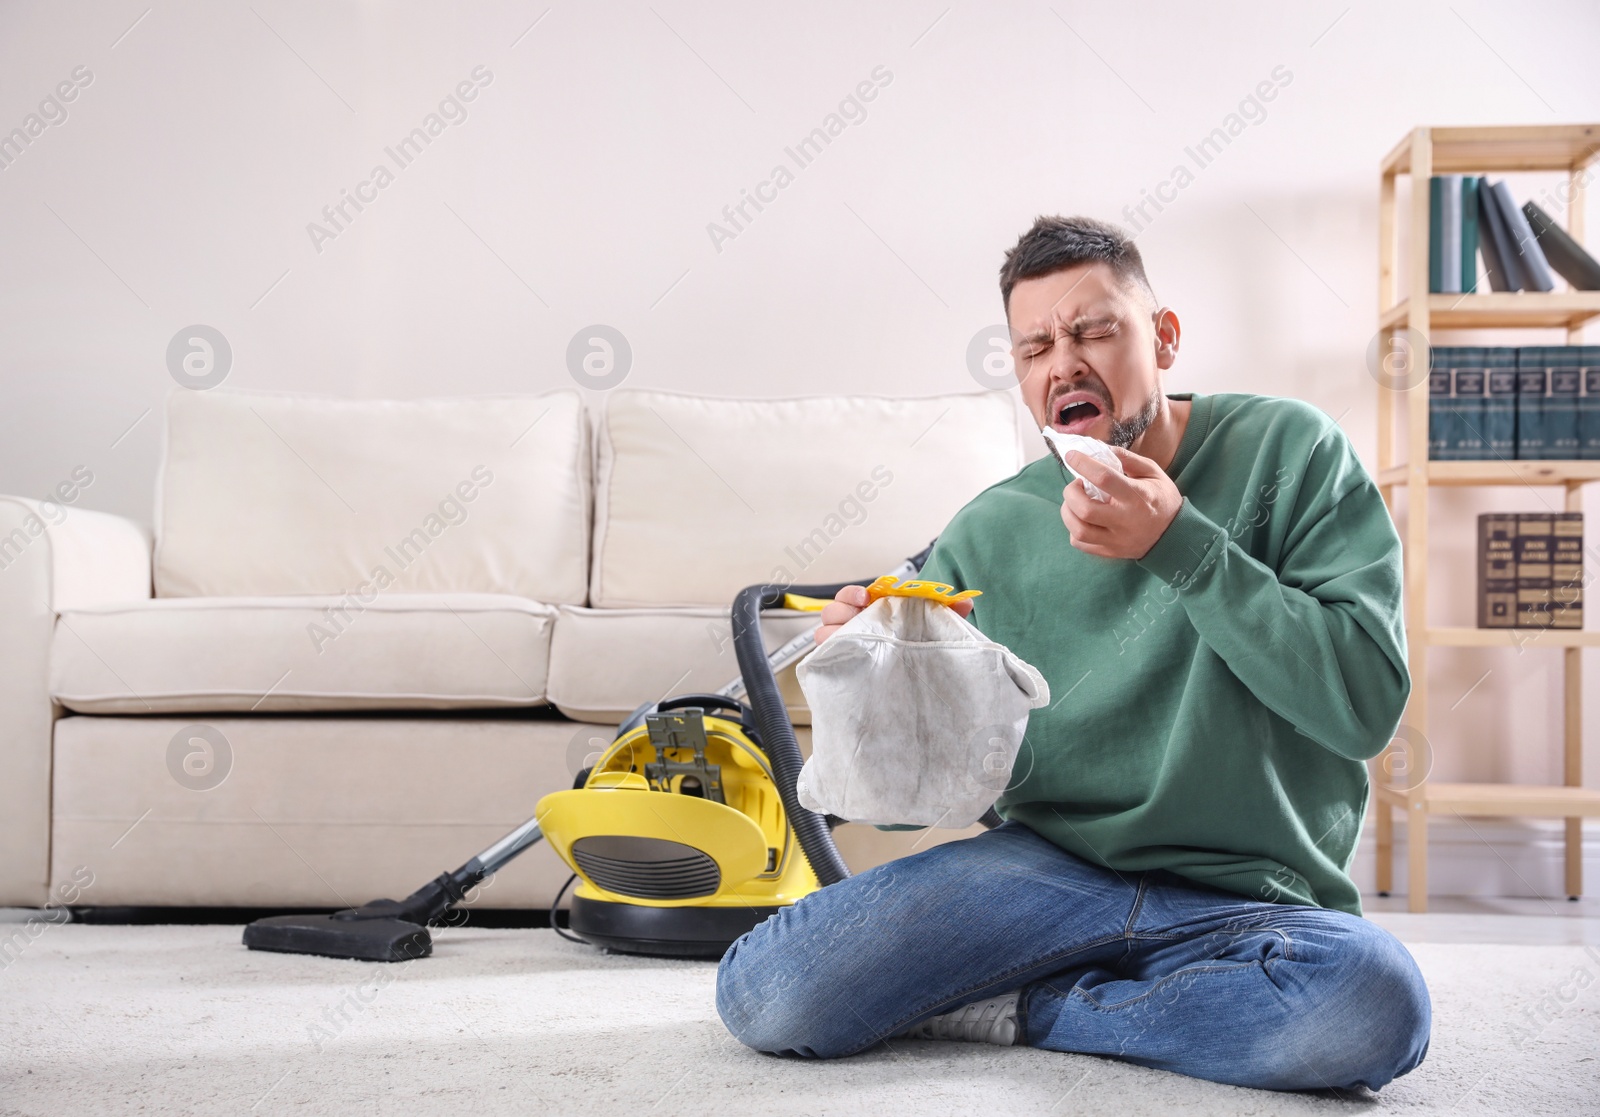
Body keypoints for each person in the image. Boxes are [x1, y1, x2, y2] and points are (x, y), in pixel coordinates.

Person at [714, 215, 1431, 1092]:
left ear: (1163, 338)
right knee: (769, 991)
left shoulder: (1294, 452)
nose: (1064, 364)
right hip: (1045, 879)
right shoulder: (989, 528)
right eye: (1035, 348)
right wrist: (872, 679)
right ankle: (1123, 1003)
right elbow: (909, 804)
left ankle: (1033, 1009)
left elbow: (1362, 708)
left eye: (1094, 330)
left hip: (1254, 894)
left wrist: (1181, 544)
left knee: (1371, 1004)